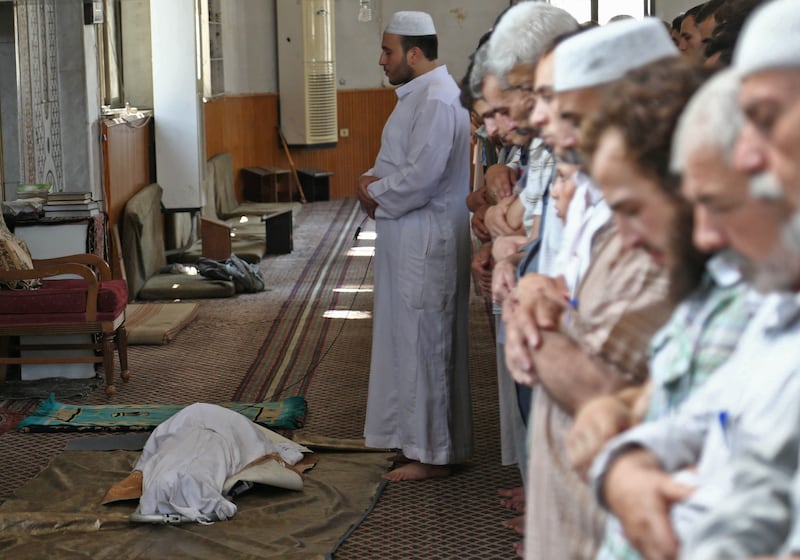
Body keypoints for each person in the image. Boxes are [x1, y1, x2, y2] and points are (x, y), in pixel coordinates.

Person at [498, 19, 680, 559]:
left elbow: (597, 385)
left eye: (558, 104)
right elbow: (557, 289)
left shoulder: (658, 220)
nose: (538, 119)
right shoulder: (593, 190)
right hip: (573, 478)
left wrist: (527, 320)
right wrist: (531, 293)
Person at [357, 11, 473, 482]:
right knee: (407, 343)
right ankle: (417, 443)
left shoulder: (439, 100)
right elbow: (401, 164)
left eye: (388, 51)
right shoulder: (419, 96)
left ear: (414, 53)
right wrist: (374, 184)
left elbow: (421, 179)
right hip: (408, 237)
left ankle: (432, 454)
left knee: (426, 345)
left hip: (427, 240)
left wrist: (373, 192)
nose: (381, 60)